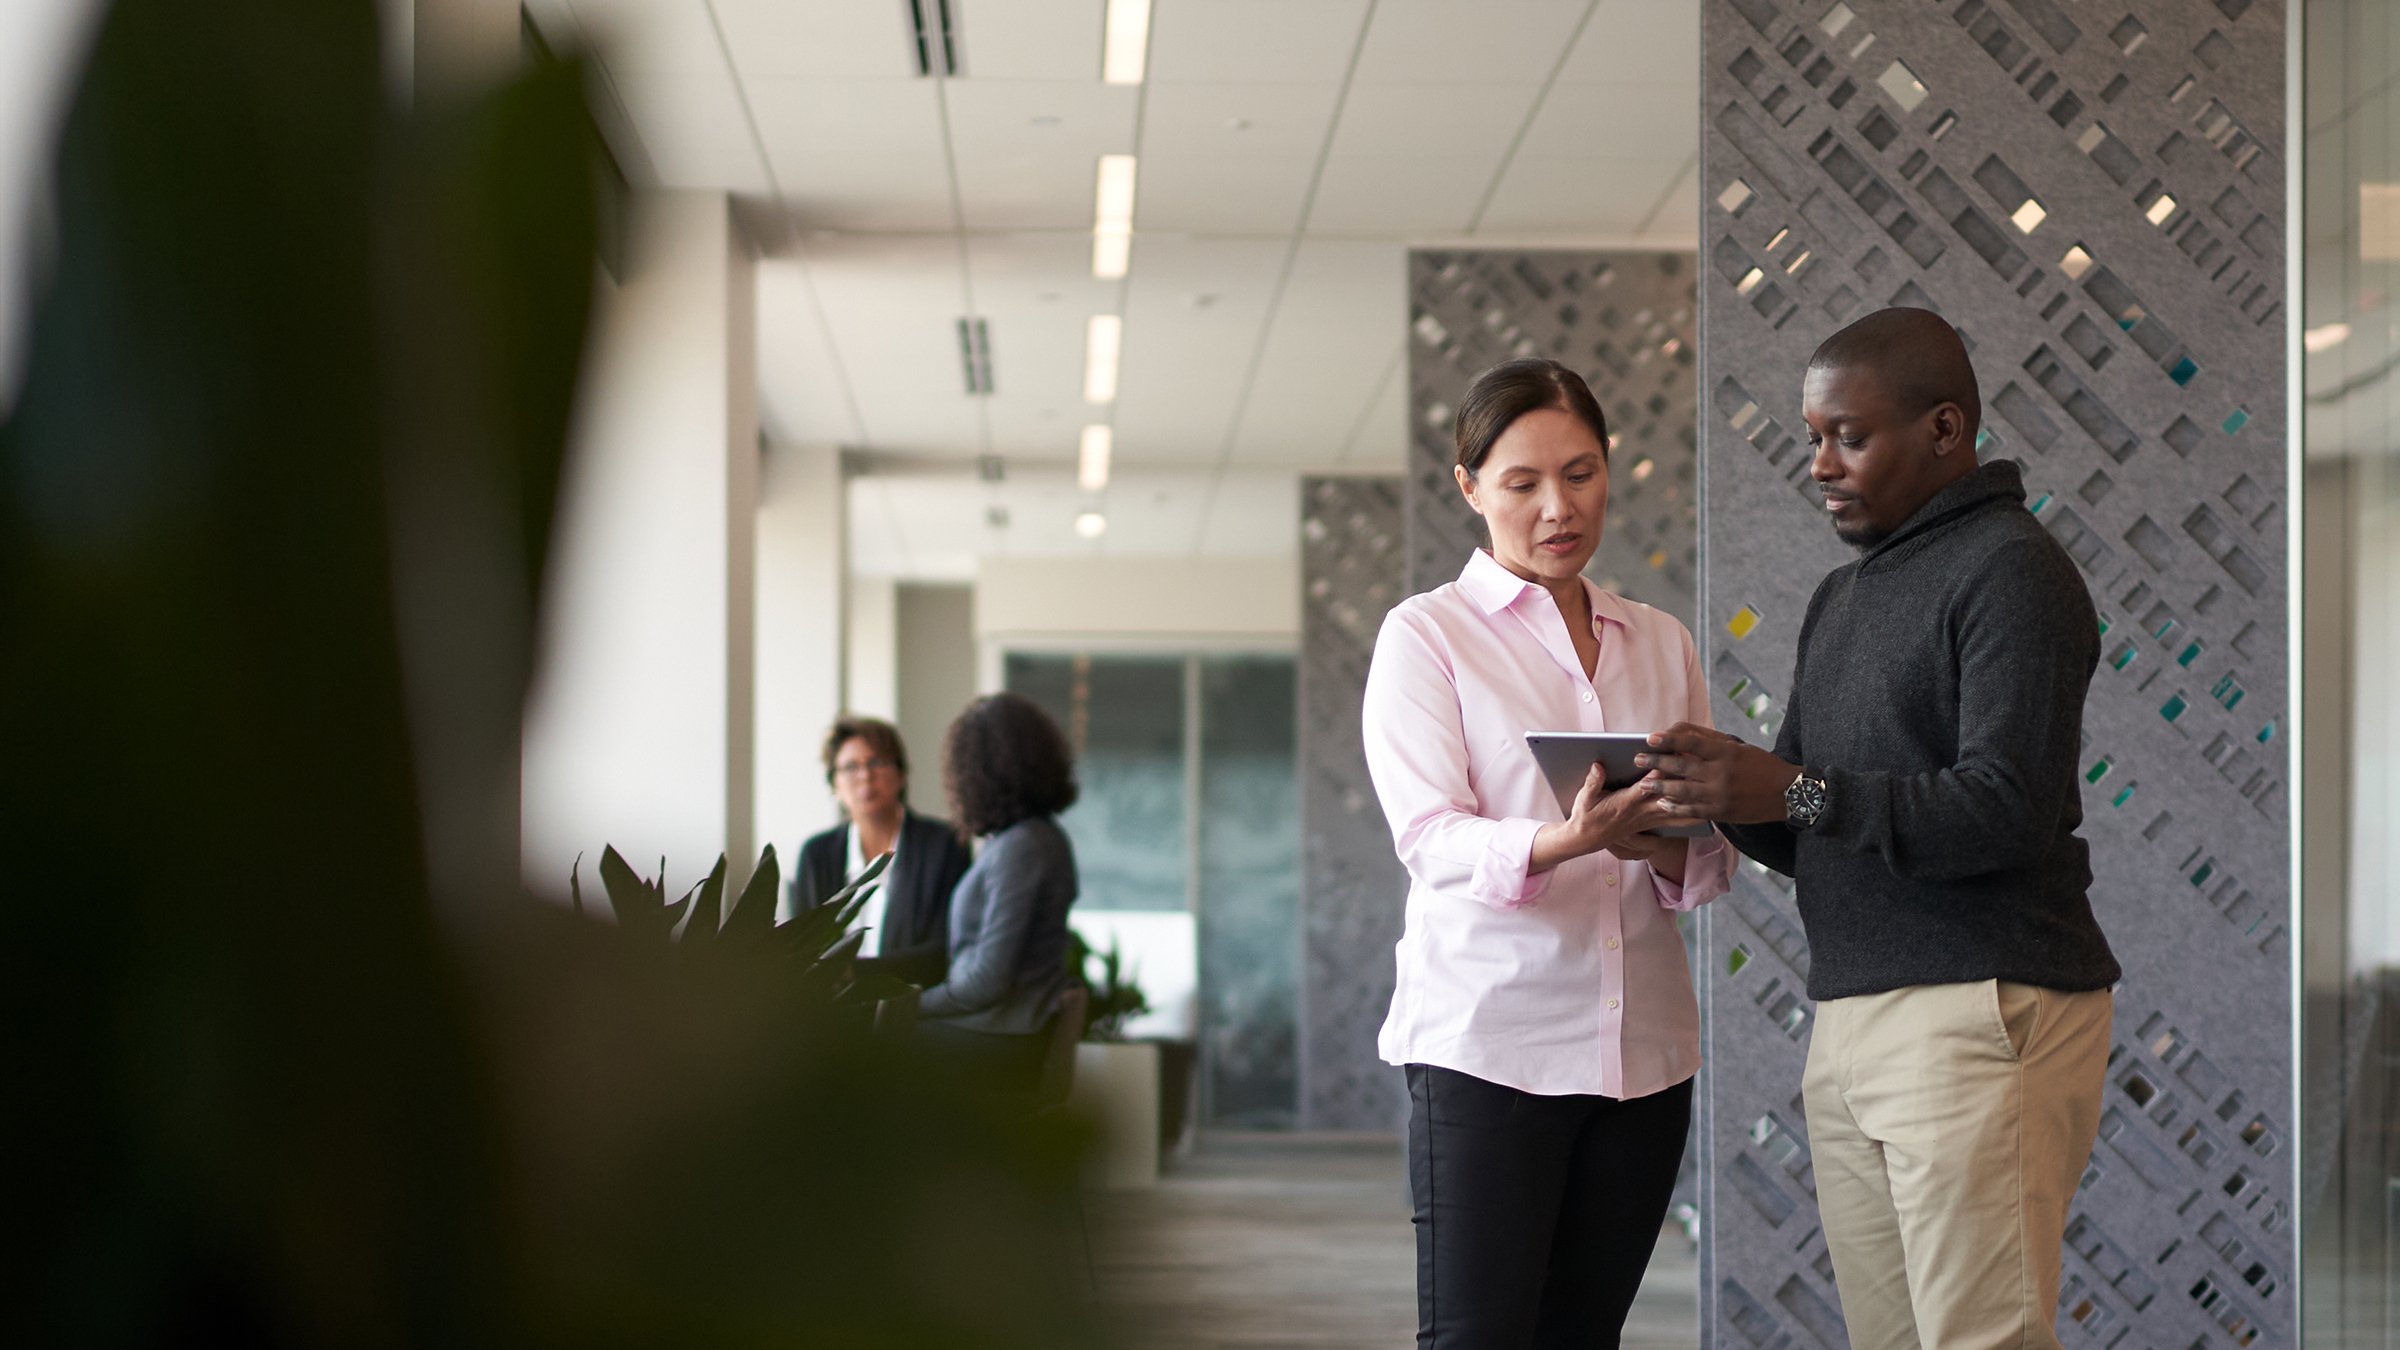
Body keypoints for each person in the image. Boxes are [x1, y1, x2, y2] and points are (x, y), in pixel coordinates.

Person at [1638, 307, 2120, 1350]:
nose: (1820, 463)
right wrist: (1709, 801)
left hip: (1982, 1004)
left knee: (1978, 1339)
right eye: (1813, 437)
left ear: (1945, 431)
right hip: (1857, 1015)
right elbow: (1810, 814)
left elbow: (2003, 807)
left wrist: (1793, 790)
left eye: (1848, 436)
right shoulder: (1841, 597)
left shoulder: (2012, 571)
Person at [1360, 357, 1732, 1348]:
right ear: (1471, 488)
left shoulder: (1659, 642)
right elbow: (1430, 837)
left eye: (1581, 473)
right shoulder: (1426, 637)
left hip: (1640, 1057)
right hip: (1489, 1045)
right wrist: (1569, 840)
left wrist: (1666, 842)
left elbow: (1700, 860)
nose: (1558, 507)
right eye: (1522, 483)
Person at [916, 692, 1082, 1094]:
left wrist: (908, 1005)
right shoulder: (1036, 837)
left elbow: (989, 980)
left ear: (977, 773)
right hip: (1006, 1032)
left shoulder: (1021, 847)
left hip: (997, 1038)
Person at [785, 715, 974, 989]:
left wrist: (852, 973)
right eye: (850, 767)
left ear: (901, 774)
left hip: (913, 1008)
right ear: (835, 784)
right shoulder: (816, 855)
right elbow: (802, 949)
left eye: (876, 762)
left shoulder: (944, 844)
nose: (865, 776)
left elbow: (945, 949)